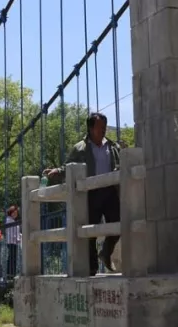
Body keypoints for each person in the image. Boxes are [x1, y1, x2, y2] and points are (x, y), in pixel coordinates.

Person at [44, 112, 121, 276]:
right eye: (100, 127)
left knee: (120, 223)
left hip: (110, 191)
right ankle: (91, 268)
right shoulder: (80, 148)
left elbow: (121, 164)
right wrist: (57, 171)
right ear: (91, 128)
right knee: (89, 232)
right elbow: (68, 166)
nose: (103, 130)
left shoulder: (113, 147)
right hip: (91, 193)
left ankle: (106, 252)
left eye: (105, 127)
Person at [5, 205, 21, 278]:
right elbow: (11, 232)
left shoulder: (11, 220)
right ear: (10, 212)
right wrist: (16, 238)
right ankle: (11, 274)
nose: (15, 214)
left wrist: (19, 236)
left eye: (16, 213)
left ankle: (11, 273)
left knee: (12, 257)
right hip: (12, 241)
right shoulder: (9, 220)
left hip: (13, 241)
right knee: (12, 258)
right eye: (14, 213)